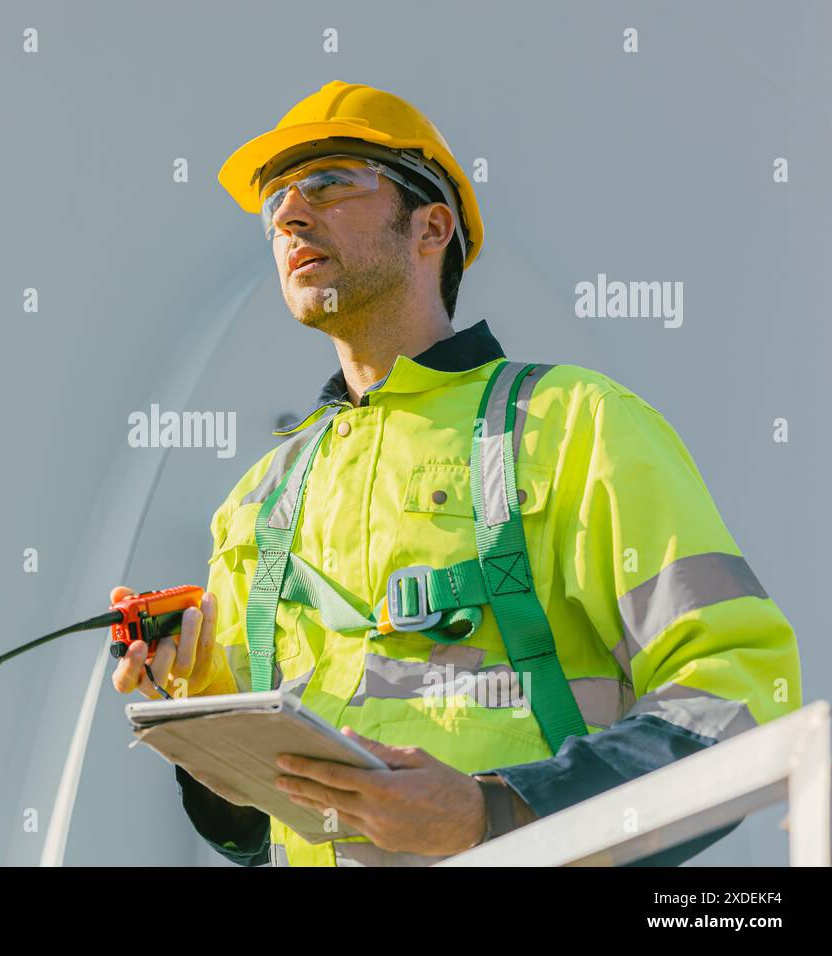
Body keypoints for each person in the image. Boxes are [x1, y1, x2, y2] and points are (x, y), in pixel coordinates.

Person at [110, 80, 801, 867]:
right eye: (276, 204)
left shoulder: (576, 421)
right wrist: (200, 725)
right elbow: (257, 835)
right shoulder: (258, 501)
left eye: (331, 181)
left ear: (431, 226)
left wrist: (490, 814)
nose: (291, 215)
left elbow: (737, 697)